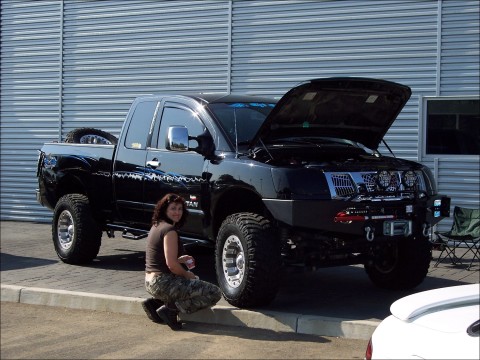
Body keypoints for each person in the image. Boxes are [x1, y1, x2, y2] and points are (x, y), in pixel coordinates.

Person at [141, 193, 222, 330]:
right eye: (173, 208)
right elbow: (171, 265)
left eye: (180, 209)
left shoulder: (157, 226)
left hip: (150, 281)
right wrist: (186, 274)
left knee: (185, 286)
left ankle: (155, 304)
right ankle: (171, 310)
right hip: (162, 282)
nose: (177, 212)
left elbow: (162, 258)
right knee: (214, 292)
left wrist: (180, 259)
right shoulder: (169, 230)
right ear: (164, 210)